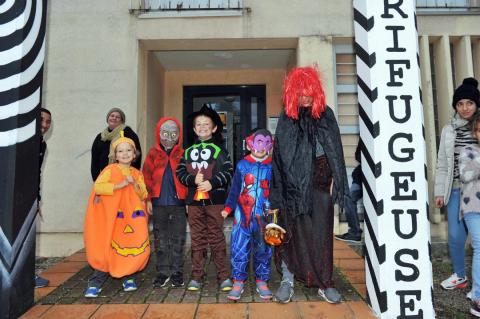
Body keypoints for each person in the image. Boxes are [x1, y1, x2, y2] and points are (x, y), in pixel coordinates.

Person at [269, 66, 349, 304]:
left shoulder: (326, 115)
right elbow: (279, 158)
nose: (304, 97)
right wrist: (278, 194)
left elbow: (336, 151)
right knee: (293, 234)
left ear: (316, 92)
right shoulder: (287, 118)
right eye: (300, 92)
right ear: (292, 93)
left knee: (321, 234)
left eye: (308, 92)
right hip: (293, 187)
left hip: (321, 184)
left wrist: (339, 182)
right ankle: (288, 279)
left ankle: (325, 282)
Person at [83, 132, 150, 298]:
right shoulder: (109, 170)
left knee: (130, 246)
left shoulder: (137, 174)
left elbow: (143, 194)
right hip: (113, 218)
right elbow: (98, 187)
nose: (125, 154)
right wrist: (119, 185)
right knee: (107, 246)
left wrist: (134, 184)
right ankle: (96, 281)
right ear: (115, 155)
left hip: (132, 219)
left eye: (129, 150)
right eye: (121, 151)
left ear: (134, 154)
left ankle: (129, 276)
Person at [176, 104, 233, 292]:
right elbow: (180, 172)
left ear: (214, 128)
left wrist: (213, 182)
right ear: (194, 129)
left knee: (217, 237)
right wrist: (192, 180)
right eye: (198, 124)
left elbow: (229, 171)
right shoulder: (187, 152)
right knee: (197, 238)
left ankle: (223, 276)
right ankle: (197, 276)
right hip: (193, 202)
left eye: (206, 124)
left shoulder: (221, 150)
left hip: (215, 201)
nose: (202, 127)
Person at [435, 77, 479, 290]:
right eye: (460, 104)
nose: (465, 108)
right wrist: (439, 191)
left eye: (469, 103)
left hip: (477, 191)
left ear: (476, 105)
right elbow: (442, 163)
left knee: (478, 239)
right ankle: (460, 275)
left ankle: (477, 288)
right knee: (454, 235)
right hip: (454, 189)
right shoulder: (448, 129)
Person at [221, 129, 274, 301]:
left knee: (264, 248)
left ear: (270, 145)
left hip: (264, 216)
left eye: (265, 143)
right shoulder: (242, 165)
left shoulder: (272, 166)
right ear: (250, 144)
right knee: (239, 247)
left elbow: (276, 190)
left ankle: (261, 280)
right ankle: (238, 280)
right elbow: (235, 188)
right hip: (242, 217)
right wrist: (228, 208)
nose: (261, 147)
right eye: (258, 142)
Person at [142, 117, 188, 288]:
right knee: (160, 239)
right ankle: (162, 272)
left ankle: (177, 272)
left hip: (178, 205)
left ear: (179, 135)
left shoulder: (183, 154)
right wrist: (147, 199)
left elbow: (188, 179)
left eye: (173, 134)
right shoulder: (152, 154)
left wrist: (188, 201)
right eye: (165, 133)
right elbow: (145, 178)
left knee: (178, 239)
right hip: (158, 203)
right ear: (158, 134)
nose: (169, 137)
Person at [459, 113, 480, 317]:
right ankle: (478, 298)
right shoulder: (468, 151)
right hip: (473, 206)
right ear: (475, 132)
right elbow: (465, 175)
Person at [91, 107, 142, 181]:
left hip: (124, 177)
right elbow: (95, 161)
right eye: (112, 116)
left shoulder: (128, 134)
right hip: (105, 177)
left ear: (122, 121)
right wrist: (96, 179)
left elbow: (136, 156)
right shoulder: (100, 137)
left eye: (118, 117)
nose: (114, 118)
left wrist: (132, 176)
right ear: (108, 118)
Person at [35, 108, 52, 288]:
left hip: (26, 199)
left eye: (48, 122)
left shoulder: (42, 144)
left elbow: (35, 173)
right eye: (42, 120)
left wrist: (36, 199)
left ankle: (25, 276)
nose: (45, 125)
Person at [335, 142, 363, 243]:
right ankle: (354, 233)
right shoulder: (365, 134)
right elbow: (358, 155)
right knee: (348, 198)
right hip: (362, 178)